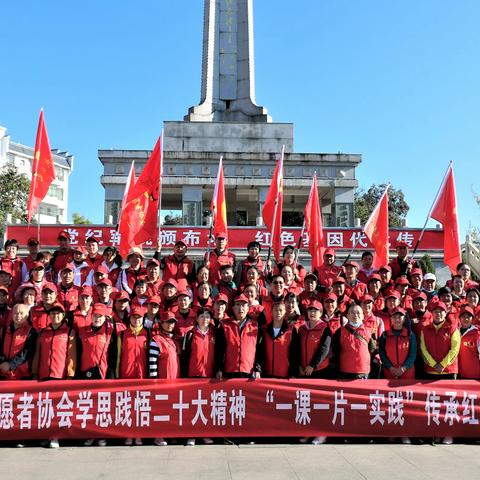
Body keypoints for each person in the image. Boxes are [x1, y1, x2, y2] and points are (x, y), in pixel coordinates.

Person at [181, 308, 216, 446]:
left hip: (208, 376)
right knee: (193, 407)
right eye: (202, 316)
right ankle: (192, 435)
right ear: (197, 318)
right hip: (193, 376)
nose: (205, 319)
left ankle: (205, 434)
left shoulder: (214, 334)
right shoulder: (190, 334)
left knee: (206, 407)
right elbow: (184, 356)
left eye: (207, 316)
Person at [117, 305, 149, 446]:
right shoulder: (123, 334)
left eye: (139, 317)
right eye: (134, 317)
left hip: (142, 375)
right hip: (126, 375)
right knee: (127, 407)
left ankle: (139, 434)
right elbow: (118, 356)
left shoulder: (147, 334)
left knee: (141, 407)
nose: (136, 320)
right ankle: (128, 435)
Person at [149, 310, 181, 447]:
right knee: (161, 409)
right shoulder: (156, 341)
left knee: (171, 408)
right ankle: (158, 435)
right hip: (162, 381)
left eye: (172, 322)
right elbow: (152, 363)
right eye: (168, 322)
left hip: (174, 381)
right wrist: (154, 381)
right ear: (161, 323)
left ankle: (170, 433)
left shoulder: (174, 340)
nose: (170, 325)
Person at [215, 294, 261, 379]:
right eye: (237, 305)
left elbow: (259, 350)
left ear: (248, 308)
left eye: (243, 305)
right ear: (233, 308)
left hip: (249, 372)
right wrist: (219, 369)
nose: (240, 308)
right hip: (229, 372)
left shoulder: (256, 326)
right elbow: (219, 349)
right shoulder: (224, 325)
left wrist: (258, 369)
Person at [331, 304, 376, 379]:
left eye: (358, 313)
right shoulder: (340, 331)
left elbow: (372, 349)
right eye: (352, 313)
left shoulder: (369, 330)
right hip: (345, 371)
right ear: (348, 316)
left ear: (362, 316)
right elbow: (335, 350)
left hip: (363, 371)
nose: (355, 315)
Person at [420, 302, 460, 380]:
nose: (438, 314)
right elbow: (423, 349)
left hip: (448, 371)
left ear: (445, 313)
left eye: (441, 311)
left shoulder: (453, 329)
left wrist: (442, 365)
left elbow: (455, 349)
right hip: (431, 371)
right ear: (431, 313)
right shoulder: (425, 330)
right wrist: (434, 365)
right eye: (435, 311)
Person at [258, 302, 297, 379]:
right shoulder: (264, 330)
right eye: (275, 310)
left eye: (280, 310)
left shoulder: (291, 330)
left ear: (285, 312)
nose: (278, 313)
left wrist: (293, 373)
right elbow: (260, 352)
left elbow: (295, 354)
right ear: (271, 312)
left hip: (284, 375)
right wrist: (258, 369)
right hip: (266, 374)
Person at [0, 304, 37, 379]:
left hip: (22, 374)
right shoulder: (4, 330)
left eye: (21, 313)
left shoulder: (31, 331)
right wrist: (3, 362)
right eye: (16, 313)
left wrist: (10, 364)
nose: (18, 316)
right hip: (3, 372)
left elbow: (27, 352)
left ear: (27, 315)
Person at [378, 307, 416, 379]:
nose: (397, 319)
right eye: (394, 317)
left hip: (407, 372)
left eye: (400, 317)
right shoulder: (384, 335)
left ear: (404, 319)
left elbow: (413, 354)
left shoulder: (410, 335)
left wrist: (404, 368)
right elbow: (382, 353)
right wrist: (390, 367)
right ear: (391, 319)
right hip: (389, 371)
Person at [457, 307, 480, 379]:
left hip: (474, 373)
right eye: (463, 317)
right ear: (459, 318)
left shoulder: (477, 333)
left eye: (468, 317)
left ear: (472, 319)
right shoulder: (455, 332)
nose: (466, 319)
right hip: (458, 373)